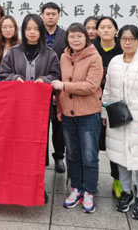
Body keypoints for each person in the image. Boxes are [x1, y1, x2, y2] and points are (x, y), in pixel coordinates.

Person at [0, 13, 61, 204]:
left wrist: (45, 80)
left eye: (36, 29)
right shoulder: (14, 52)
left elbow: (55, 75)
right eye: (28, 29)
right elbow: (3, 73)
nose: (32, 32)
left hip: (40, 111)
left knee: (38, 148)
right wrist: (14, 78)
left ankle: (37, 187)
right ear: (23, 31)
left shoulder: (50, 54)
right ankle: (16, 185)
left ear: (41, 31)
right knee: (17, 147)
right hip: (17, 109)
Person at [103, 25, 138, 221]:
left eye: (131, 39)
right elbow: (108, 91)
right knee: (121, 160)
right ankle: (126, 193)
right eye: (124, 39)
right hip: (119, 119)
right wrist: (105, 113)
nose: (127, 43)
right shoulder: (114, 62)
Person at [51, 23, 103, 214]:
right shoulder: (64, 57)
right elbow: (59, 88)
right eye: (72, 37)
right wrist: (60, 108)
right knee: (72, 154)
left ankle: (89, 191)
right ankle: (76, 188)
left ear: (86, 38)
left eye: (79, 36)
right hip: (67, 114)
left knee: (89, 156)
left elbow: (91, 86)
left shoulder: (94, 57)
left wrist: (65, 86)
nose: (75, 40)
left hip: (88, 114)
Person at [92, 16, 123, 198]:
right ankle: (92, 177)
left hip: (115, 103)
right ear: (97, 31)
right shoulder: (91, 48)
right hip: (93, 101)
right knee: (93, 143)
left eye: (109, 27)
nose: (105, 30)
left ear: (115, 30)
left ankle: (117, 179)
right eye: (102, 27)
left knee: (115, 144)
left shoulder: (122, 49)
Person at [41, 2, 66, 173]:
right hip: (40, 84)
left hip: (60, 84)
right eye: (47, 14)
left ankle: (59, 157)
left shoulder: (65, 35)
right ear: (42, 15)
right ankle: (41, 158)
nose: (50, 17)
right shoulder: (36, 33)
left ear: (58, 15)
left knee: (59, 125)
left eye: (53, 14)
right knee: (41, 124)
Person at [0, 15, 20, 81]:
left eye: (11, 27)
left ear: (15, 28)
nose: (8, 30)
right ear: (0, 29)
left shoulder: (21, 45)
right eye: (4, 27)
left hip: (16, 82)